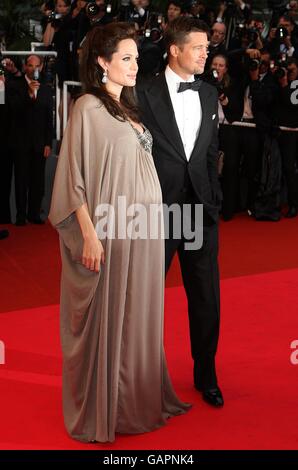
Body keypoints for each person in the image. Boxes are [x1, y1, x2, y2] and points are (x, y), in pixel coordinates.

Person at [48, 22, 190, 444]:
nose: (134, 65)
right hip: (110, 230)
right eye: (125, 58)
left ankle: (135, 399)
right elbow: (72, 179)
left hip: (143, 232)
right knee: (113, 313)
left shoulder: (125, 107)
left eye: (135, 57)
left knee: (140, 312)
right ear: (102, 62)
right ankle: (107, 403)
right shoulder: (88, 107)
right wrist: (89, 235)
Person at [138, 17, 224, 407]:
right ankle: (141, 375)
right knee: (146, 296)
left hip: (199, 211)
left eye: (208, 47)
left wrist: (214, 199)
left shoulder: (208, 93)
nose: (208, 53)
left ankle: (206, 373)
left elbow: (208, 153)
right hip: (157, 210)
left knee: (206, 296)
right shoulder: (142, 93)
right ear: (175, 49)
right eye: (200, 47)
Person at [6, 55, 53, 225]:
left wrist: (48, 142)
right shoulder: (14, 86)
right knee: (21, 180)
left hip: (40, 143)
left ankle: (34, 214)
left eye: (37, 66)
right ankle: (20, 216)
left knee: (37, 181)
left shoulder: (47, 90)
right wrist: (28, 93)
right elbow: (15, 110)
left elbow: (49, 118)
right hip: (20, 142)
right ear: (25, 67)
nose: (34, 69)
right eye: (30, 65)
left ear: (41, 67)